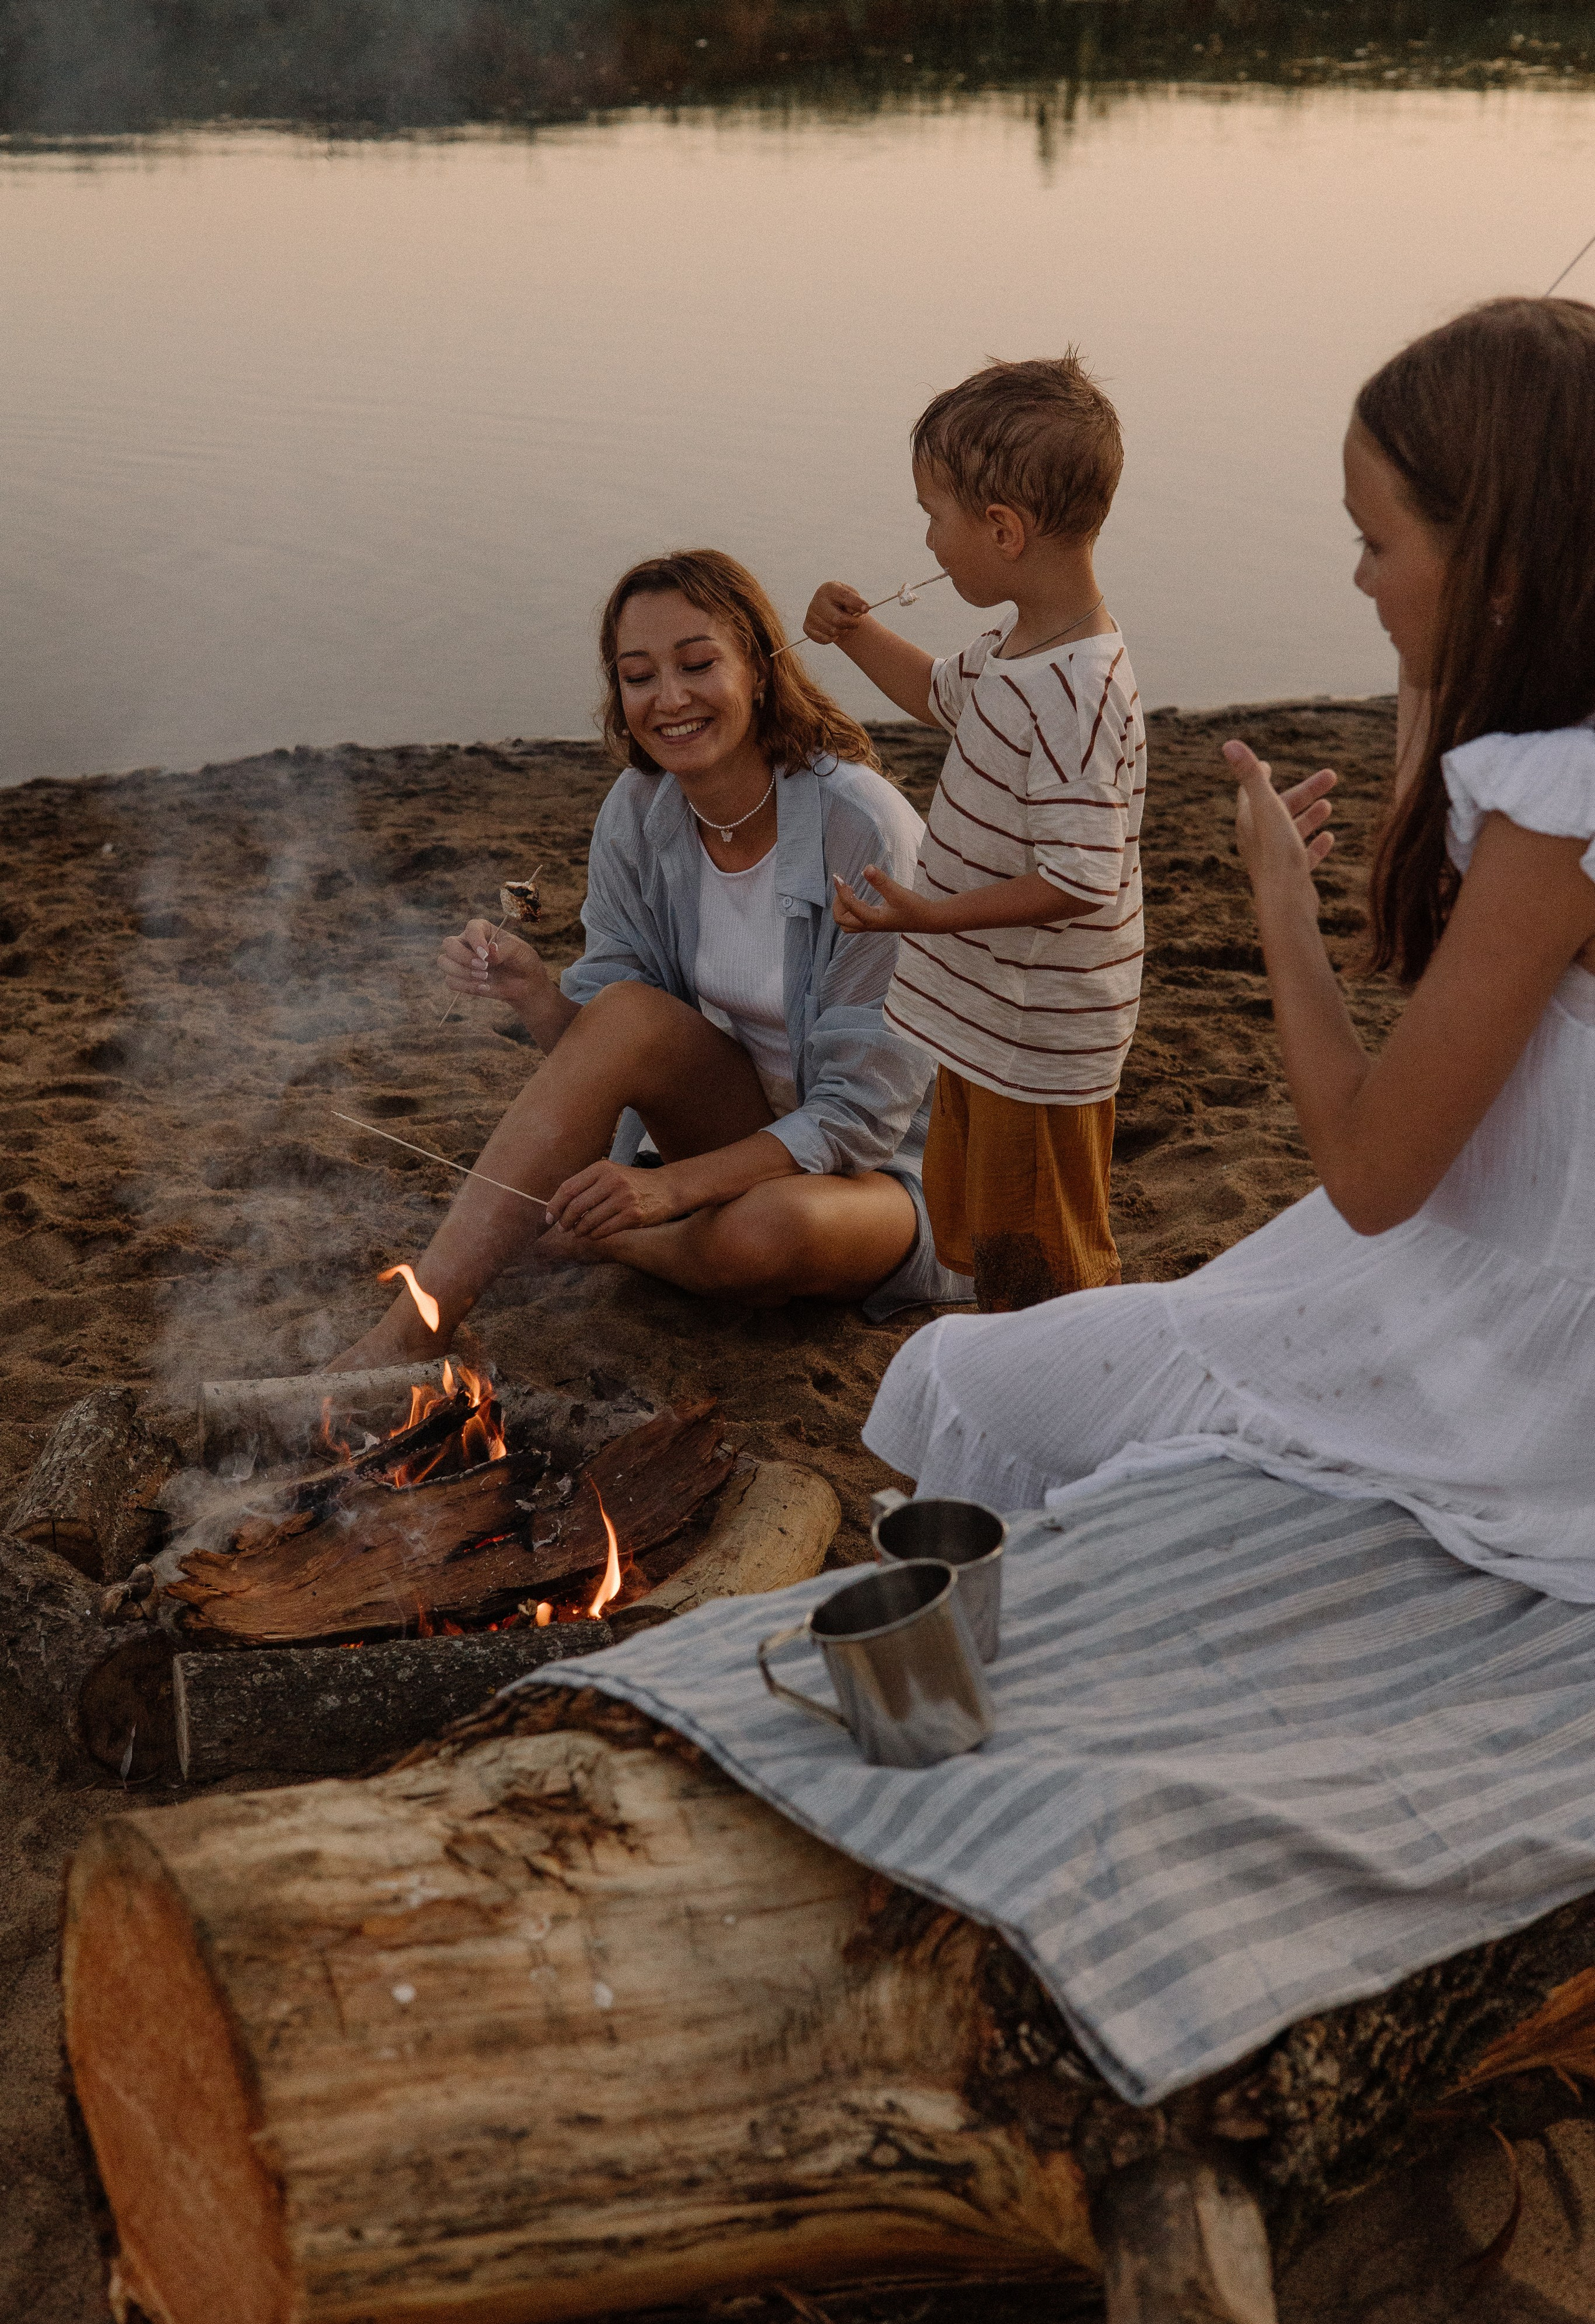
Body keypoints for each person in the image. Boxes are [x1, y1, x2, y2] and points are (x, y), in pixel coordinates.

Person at [863, 297, 1595, 1602]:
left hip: (1515, 1349)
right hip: (1501, 1260)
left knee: (957, 1380)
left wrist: (1275, 905)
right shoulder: (1549, 753)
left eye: (1374, 544)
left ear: (1496, 571)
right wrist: (1445, 660)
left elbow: (1371, 1177)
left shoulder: (1559, 804)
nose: (1356, 579)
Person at [332, 550, 970, 1371]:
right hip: (739, 1127)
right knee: (626, 1007)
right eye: (638, 676)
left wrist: (661, 1192)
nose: (669, 699)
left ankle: (612, 1242)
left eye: (698, 665)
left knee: (765, 1233)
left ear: (761, 669)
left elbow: (858, 1121)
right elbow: (610, 1048)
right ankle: (414, 1328)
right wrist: (533, 996)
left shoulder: (863, 829)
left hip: (894, 1172)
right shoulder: (640, 812)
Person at [804, 354, 1146, 1312]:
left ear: (1002, 530)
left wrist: (931, 913)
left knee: (1042, 1260)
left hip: (1040, 1037)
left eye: (935, 516)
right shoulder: (1013, 649)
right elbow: (932, 695)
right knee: (986, 1232)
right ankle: (1009, 1369)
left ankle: (1057, 1398)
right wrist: (855, 633)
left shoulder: (1074, 693)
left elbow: (1080, 878)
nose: (928, 538)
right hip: (989, 1021)